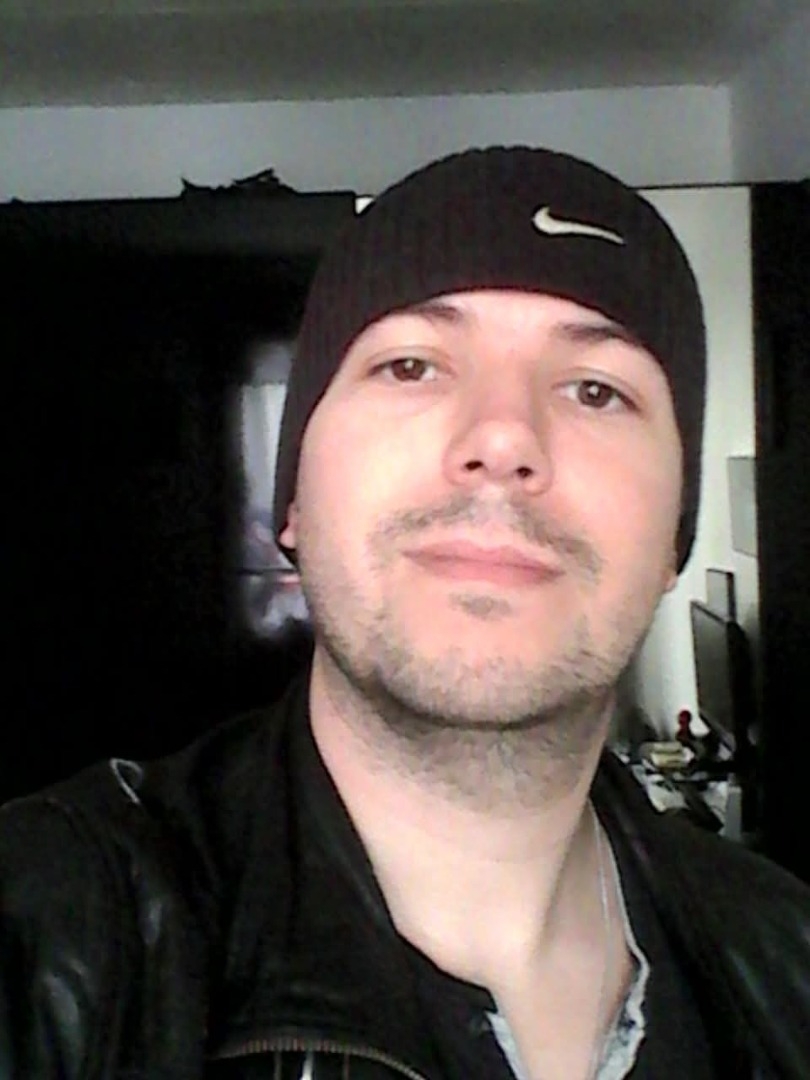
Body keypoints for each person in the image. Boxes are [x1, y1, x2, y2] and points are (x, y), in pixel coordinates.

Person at [1, 147, 808, 1080]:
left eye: (597, 390)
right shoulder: (48, 930)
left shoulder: (786, 958)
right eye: (412, 366)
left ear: (673, 537)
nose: (503, 438)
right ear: (294, 499)